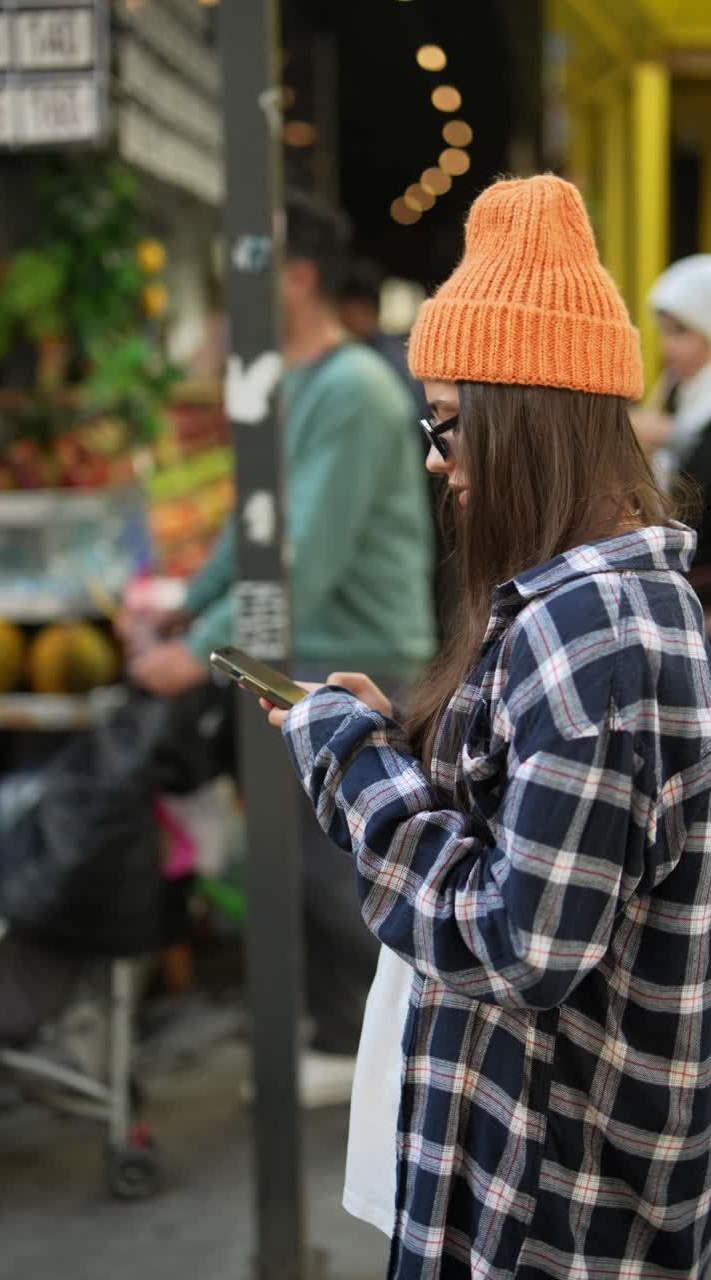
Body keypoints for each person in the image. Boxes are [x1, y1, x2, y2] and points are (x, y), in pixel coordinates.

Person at [265, 176, 711, 1276]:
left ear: (528, 418)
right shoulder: (595, 611)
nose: (435, 456)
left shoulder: (593, 629)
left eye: (449, 422)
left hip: (548, 1219)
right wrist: (403, 750)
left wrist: (354, 768)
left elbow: (521, 943)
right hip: (540, 1187)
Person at [120, 190, 437, 1101]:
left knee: (333, 860)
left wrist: (202, 647)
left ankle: (358, 1046)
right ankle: (341, 1034)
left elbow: (304, 556)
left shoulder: (351, 390)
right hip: (300, 646)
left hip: (349, 652)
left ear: (294, 276)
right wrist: (187, 609)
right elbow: (251, 533)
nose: (233, 284)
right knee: (301, 855)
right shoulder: (296, 384)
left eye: (247, 263)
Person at [632, 255, 711, 609]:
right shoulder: (690, 396)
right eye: (664, 332)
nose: (667, 347)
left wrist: (670, 435)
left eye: (681, 332)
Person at [339, 255, 427, 414]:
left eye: (342, 309)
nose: (339, 319)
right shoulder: (399, 352)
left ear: (359, 306)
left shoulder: (371, 360)